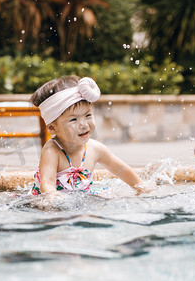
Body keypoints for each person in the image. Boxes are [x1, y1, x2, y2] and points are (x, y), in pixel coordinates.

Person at [29, 75, 152, 204]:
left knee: (111, 197)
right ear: (52, 128)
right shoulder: (52, 150)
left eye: (88, 115)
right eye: (73, 119)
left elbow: (121, 169)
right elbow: (47, 183)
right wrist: (52, 196)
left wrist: (140, 186)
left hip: (79, 200)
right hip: (52, 203)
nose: (83, 124)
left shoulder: (96, 148)